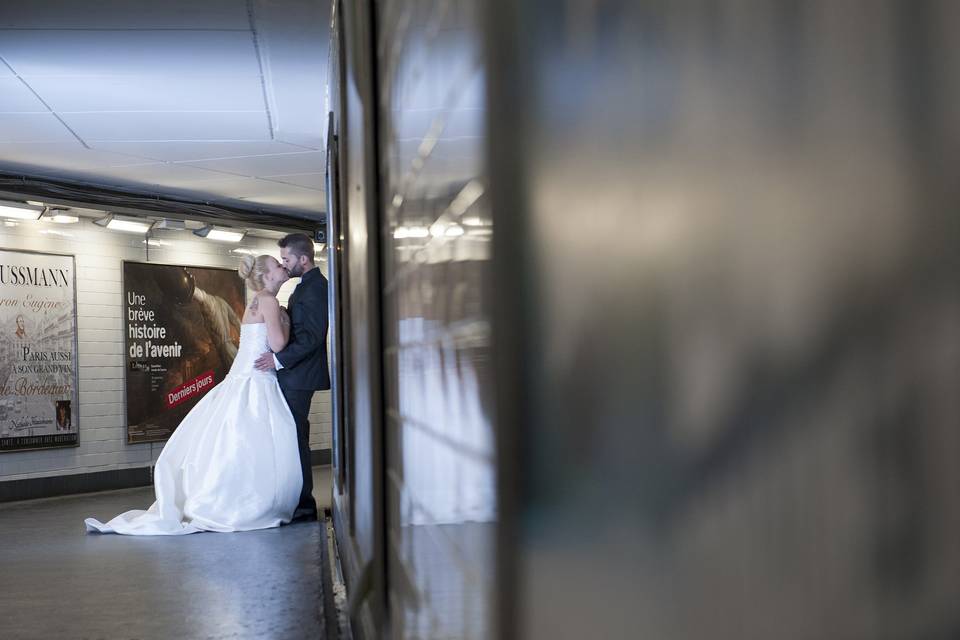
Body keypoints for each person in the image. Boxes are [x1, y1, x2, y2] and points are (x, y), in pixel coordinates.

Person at [84, 255, 302, 535]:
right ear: (268, 276)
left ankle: (229, 496)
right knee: (255, 440)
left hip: (243, 376)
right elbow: (278, 343)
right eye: (278, 265)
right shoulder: (270, 302)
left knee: (238, 440)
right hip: (258, 377)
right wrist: (287, 322)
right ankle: (250, 501)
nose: (283, 268)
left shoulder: (257, 301)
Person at [254, 233, 330, 523]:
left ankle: (304, 506)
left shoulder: (315, 289)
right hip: (294, 374)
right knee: (292, 438)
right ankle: (297, 501)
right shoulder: (305, 287)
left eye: (287, 259)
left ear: (303, 259)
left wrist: (277, 359)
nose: (285, 264)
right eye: (281, 261)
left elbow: (311, 337)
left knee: (296, 439)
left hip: (299, 376)